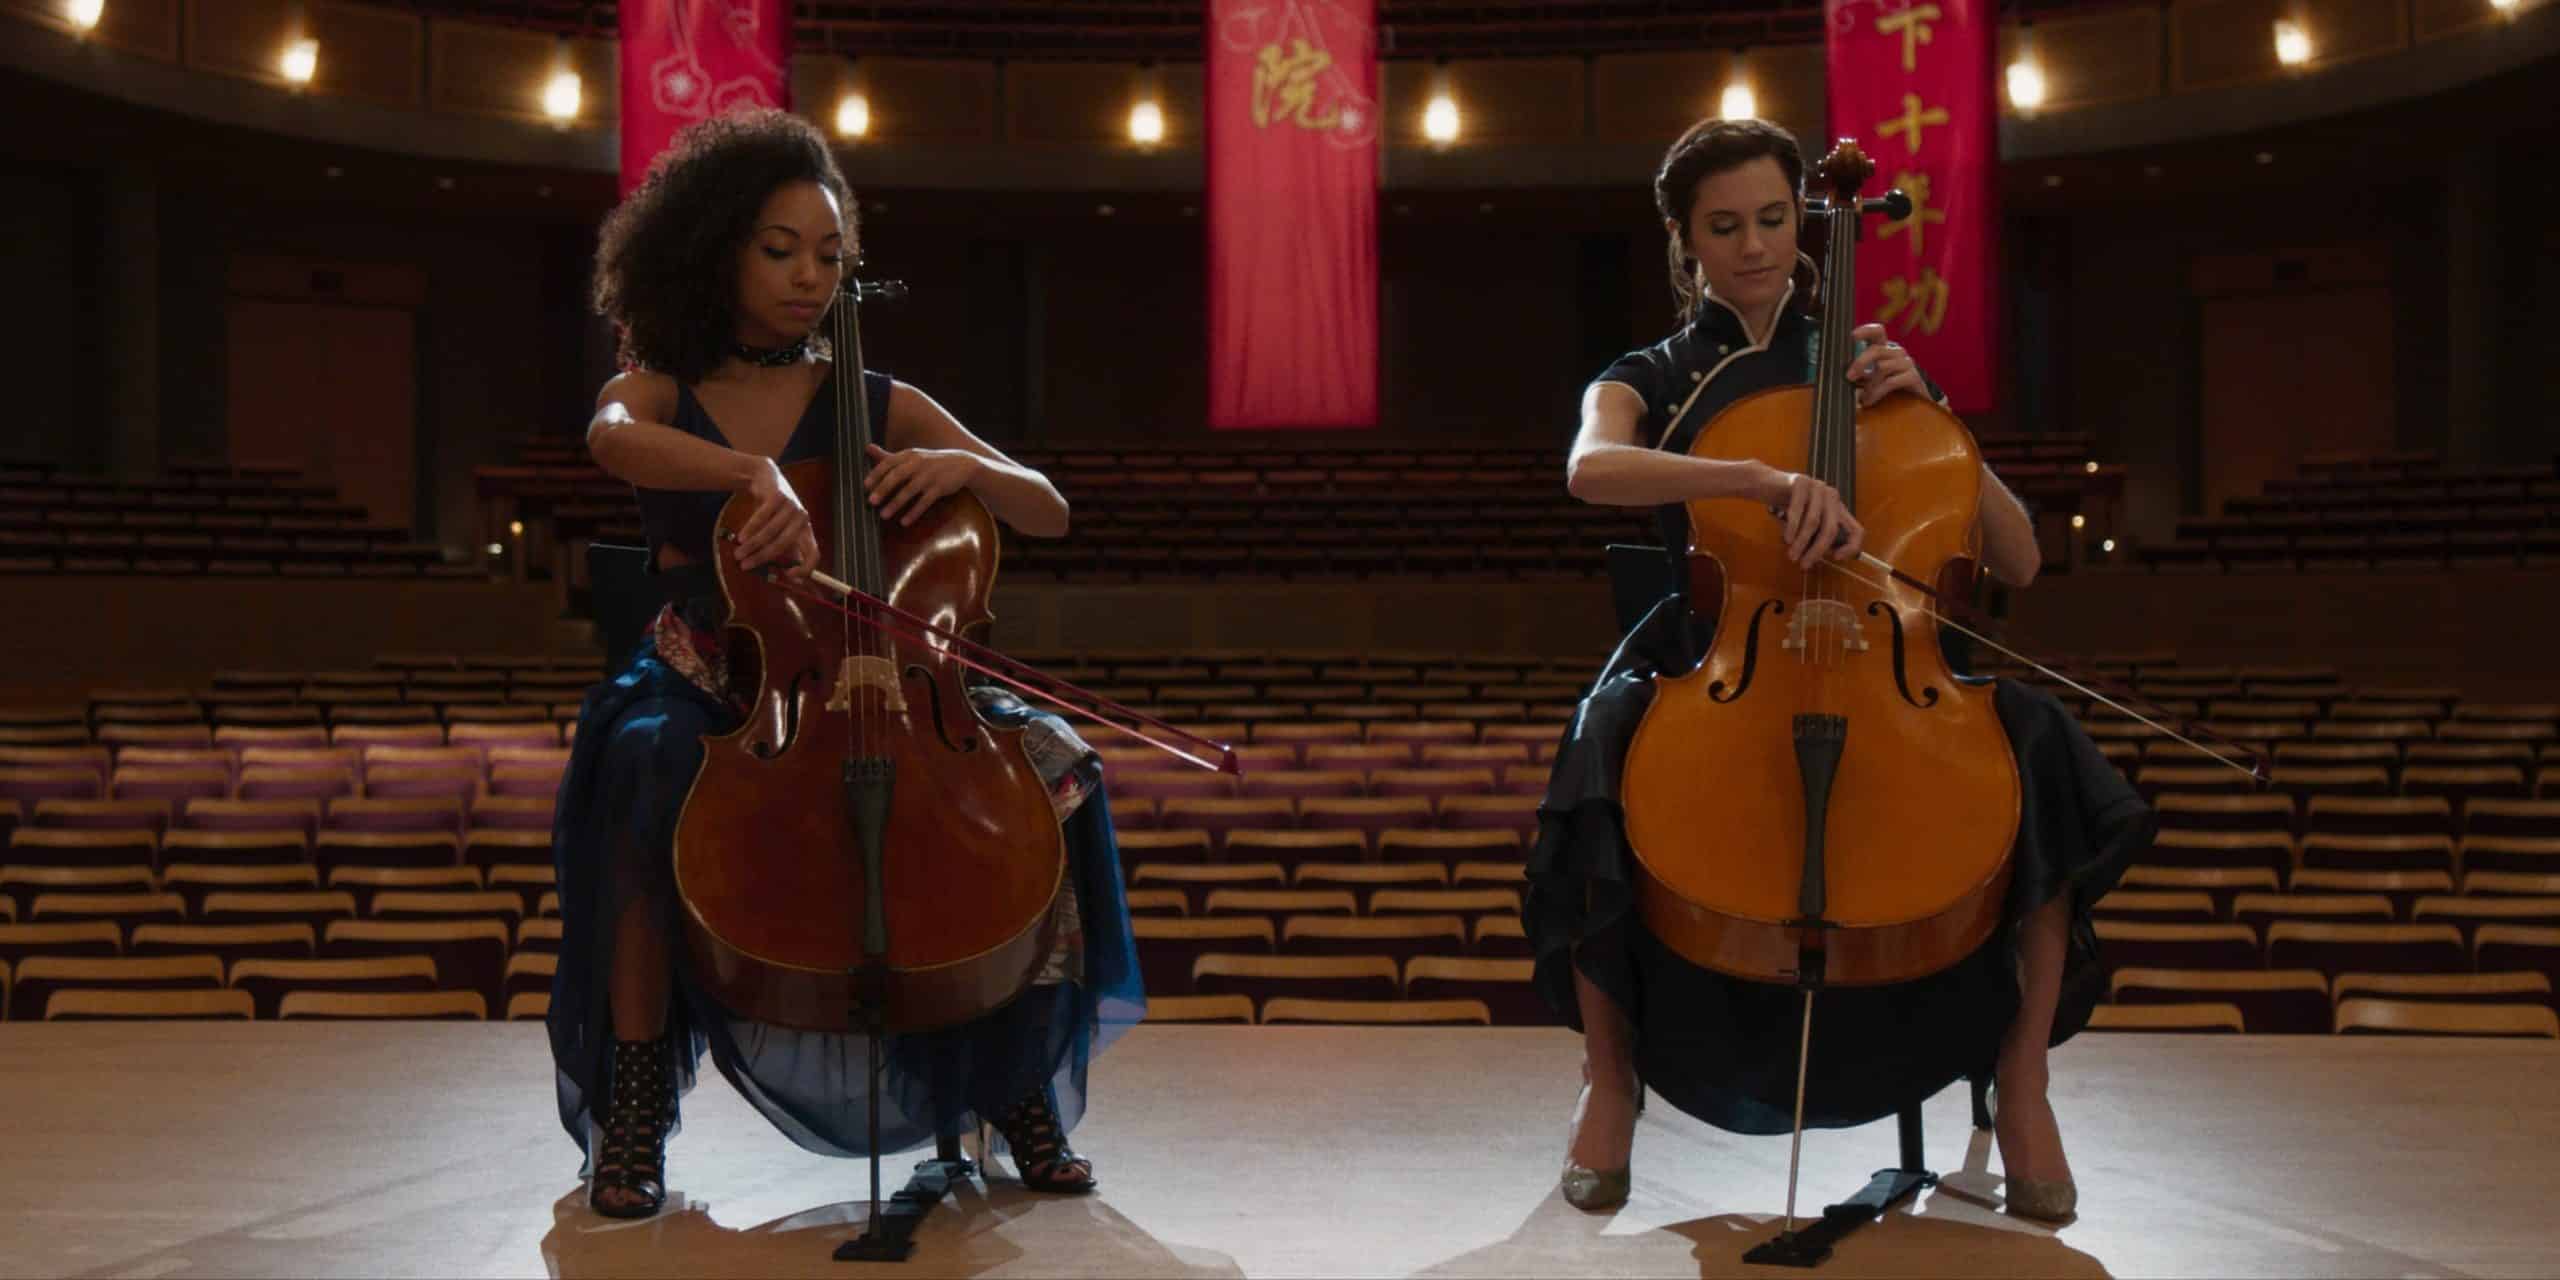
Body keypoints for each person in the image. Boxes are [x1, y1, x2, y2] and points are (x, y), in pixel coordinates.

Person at [1525, 117, 2153, 1224]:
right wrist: (1759, 479)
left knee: (2042, 749)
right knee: (1598, 742)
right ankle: (1609, 1081)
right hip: (1720, 650)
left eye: (1774, 218)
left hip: (1883, 657)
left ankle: (2021, 1081)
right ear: (1685, 240)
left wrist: (1933, 413)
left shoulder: (1864, 367)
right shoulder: (1652, 373)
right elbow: (1591, 467)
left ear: (1804, 225)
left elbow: (2016, 559)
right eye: (1724, 226)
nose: (1754, 245)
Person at [550, 107, 1143, 1220]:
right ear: (713, 248)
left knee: (1052, 765)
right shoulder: (665, 386)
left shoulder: (874, 397)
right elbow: (609, 436)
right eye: (780, 249)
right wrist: (749, 474)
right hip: (716, 676)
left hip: (880, 671)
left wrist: (964, 465)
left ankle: (1015, 1084)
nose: (810, 277)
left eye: (829, 256)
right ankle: (634, 1104)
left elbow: (1047, 509)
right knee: (643, 769)